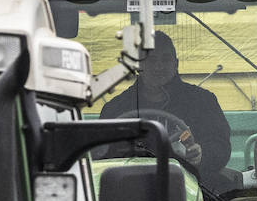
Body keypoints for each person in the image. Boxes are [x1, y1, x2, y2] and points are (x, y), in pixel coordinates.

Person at [98, 31, 232, 186]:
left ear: (176, 64)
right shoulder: (115, 108)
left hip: (193, 186)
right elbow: (101, 155)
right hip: (130, 188)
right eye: (151, 59)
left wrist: (202, 154)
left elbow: (220, 145)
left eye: (165, 59)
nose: (158, 66)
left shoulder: (203, 101)